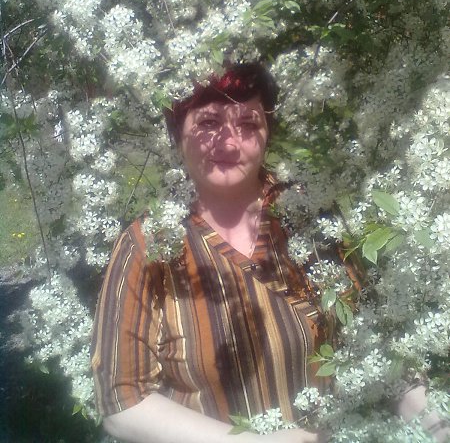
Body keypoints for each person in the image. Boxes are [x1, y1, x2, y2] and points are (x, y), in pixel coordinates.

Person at [90, 63, 446, 443]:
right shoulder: (148, 246)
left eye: (248, 124)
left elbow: (372, 334)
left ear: (267, 135)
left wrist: (431, 419)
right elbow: (122, 401)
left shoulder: (307, 214)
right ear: (177, 133)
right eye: (208, 122)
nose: (229, 143)